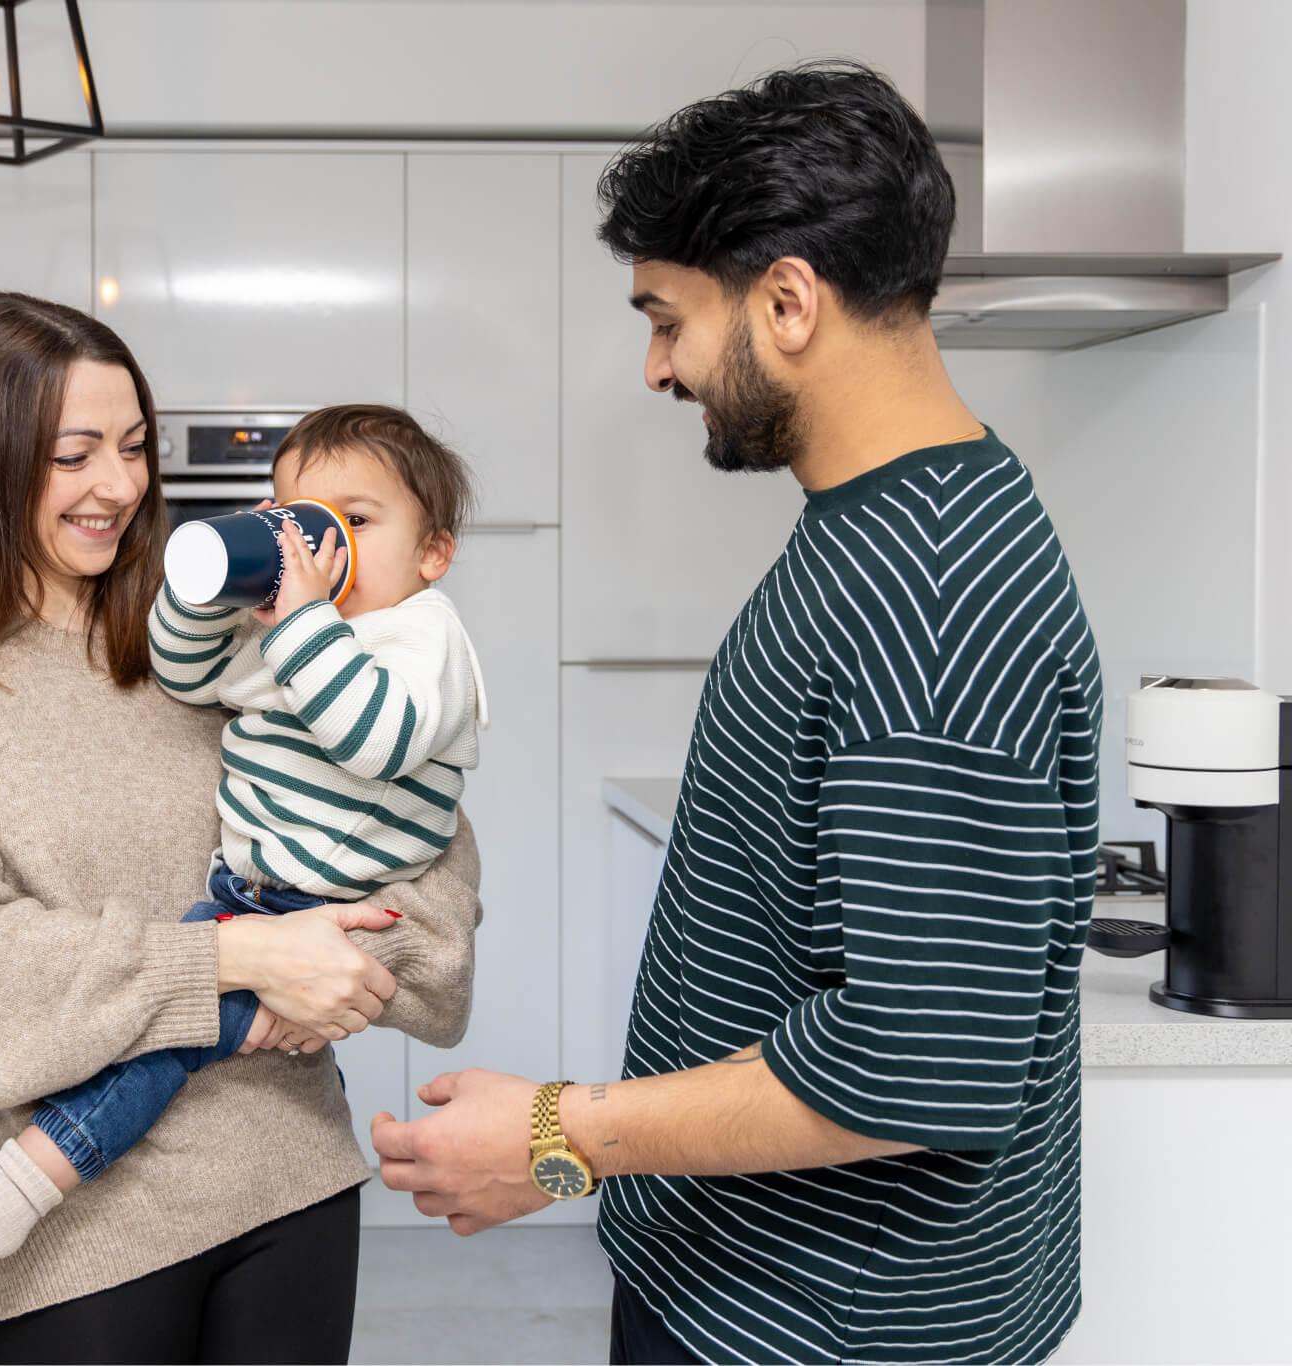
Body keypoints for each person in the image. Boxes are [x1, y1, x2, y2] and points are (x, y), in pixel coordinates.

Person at [372, 62, 1100, 1365]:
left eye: (668, 320)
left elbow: (913, 1064)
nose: (657, 368)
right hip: (760, 1290)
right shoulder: (886, 526)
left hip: (814, 1327)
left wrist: (558, 1134)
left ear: (787, 300)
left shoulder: (927, 593)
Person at [0, 293, 484, 1364]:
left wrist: (339, 965)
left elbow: (418, 864)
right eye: (71, 454)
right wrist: (242, 959)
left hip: (290, 1174)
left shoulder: (233, 642)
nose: (120, 486)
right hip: (68, 1235)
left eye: (133, 448)